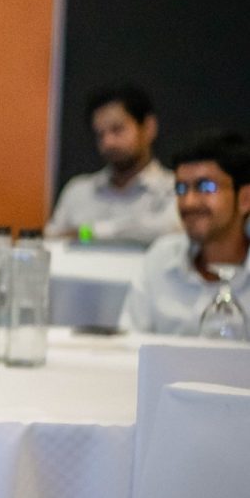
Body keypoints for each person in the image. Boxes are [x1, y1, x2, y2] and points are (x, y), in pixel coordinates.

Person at [121, 131, 250, 336]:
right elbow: (128, 343)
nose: (188, 202)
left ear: (245, 199)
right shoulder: (160, 259)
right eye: (181, 189)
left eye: (205, 187)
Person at [46, 84, 181, 243]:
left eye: (117, 130)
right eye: (100, 134)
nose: (108, 142)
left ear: (148, 128)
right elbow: (51, 240)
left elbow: (169, 229)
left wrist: (87, 232)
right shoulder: (77, 191)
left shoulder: (176, 188)